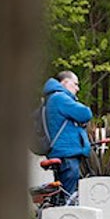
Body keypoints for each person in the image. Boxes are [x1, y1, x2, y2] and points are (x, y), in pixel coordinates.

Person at [41, 71, 93, 201]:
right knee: (68, 196)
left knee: (61, 192)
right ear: (64, 82)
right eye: (75, 84)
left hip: (60, 152)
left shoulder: (51, 98)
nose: (77, 88)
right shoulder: (61, 98)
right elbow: (85, 113)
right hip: (67, 153)